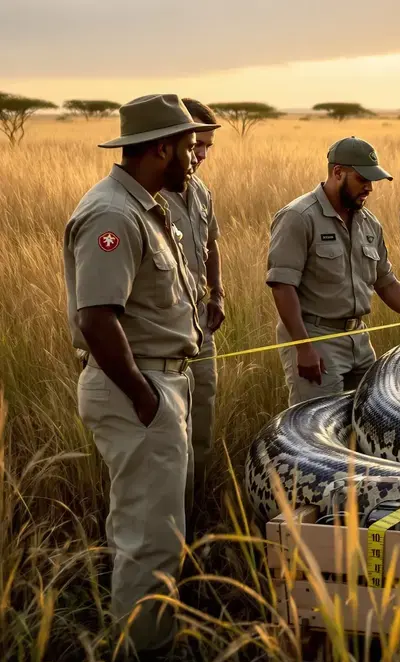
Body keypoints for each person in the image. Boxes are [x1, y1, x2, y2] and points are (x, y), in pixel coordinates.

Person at [63, 93, 216, 662]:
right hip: (140, 389)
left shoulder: (147, 204)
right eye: (187, 146)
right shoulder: (113, 214)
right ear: (160, 149)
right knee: (149, 542)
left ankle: (149, 641)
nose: (196, 156)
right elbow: (96, 318)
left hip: (159, 384)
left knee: (153, 532)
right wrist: (145, 397)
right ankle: (142, 657)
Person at [267, 136, 400, 406]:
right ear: (337, 172)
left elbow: (386, 283)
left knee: (362, 421)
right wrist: (304, 347)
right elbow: (282, 286)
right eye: (361, 179)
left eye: (372, 181)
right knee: (318, 430)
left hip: (359, 340)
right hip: (317, 339)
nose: (369, 188)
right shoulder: (298, 217)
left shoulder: (369, 223)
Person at [161, 98, 223, 522]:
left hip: (202, 328)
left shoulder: (200, 191)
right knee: (168, 444)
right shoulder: (149, 194)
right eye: (195, 145)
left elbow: (211, 242)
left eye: (207, 147)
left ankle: (194, 520)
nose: (200, 155)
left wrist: (217, 292)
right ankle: (168, 529)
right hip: (163, 337)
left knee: (201, 428)